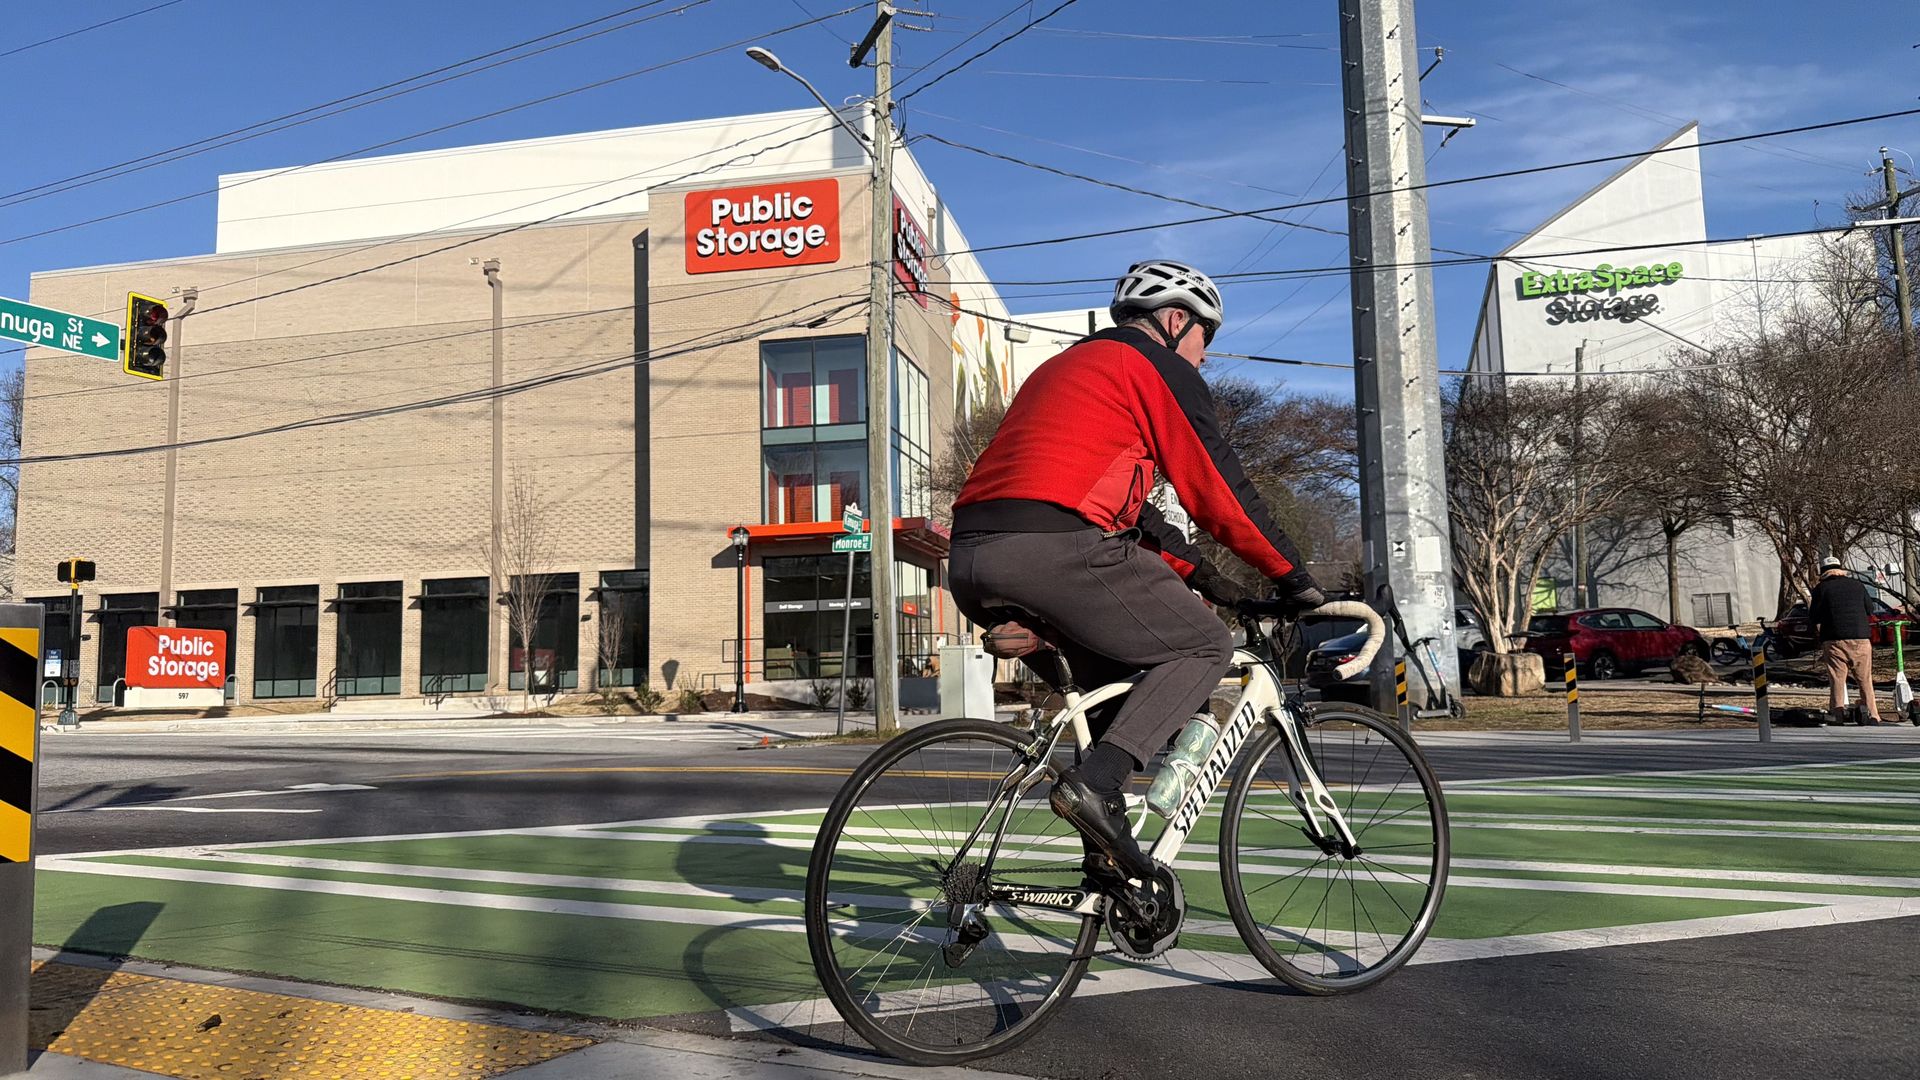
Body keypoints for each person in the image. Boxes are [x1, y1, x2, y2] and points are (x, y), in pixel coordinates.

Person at [949, 259, 1324, 881]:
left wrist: (1209, 578)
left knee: (1114, 698)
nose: (1203, 357)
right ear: (1176, 321)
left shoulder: (1063, 370)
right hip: (1058, 552)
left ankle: (1111, 866)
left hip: (971, 558)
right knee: (1203, 645)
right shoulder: (1155, 365)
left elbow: (1131, 512)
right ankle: (1092, 790)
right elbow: (1217, 488)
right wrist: (1293, 577)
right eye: (1206, 339)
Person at [1810, 556, 1883, 726]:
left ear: (1823, 572)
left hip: (1834, 640)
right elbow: (1870, 609)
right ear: (1841, 569)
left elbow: (1814, 617)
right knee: (1865, 679)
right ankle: (1873, 715)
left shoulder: (1821, 589)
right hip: (1861, 639)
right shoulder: (1857, 585)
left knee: (1837, 679)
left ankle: (1838, 715)